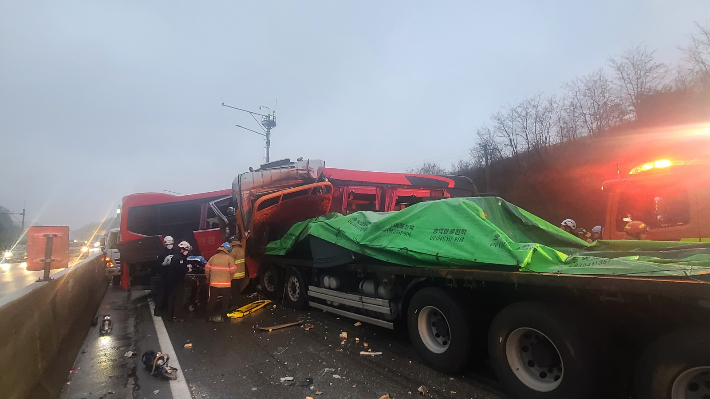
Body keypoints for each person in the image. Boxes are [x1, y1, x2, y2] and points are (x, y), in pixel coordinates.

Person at [205, 242, 237, 322]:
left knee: (212, 299)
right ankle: (223, 317)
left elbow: (207, 269)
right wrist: (229, 277)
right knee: (225, 301)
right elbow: (233, 270)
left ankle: (208, 317)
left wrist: (209, 278)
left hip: (214, 284)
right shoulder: (229, 259)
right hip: (225, 284)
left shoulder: (213, 258)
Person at [166, 241, 191, 322]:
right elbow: (180, 269)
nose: (187, 252)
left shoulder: (175, 256)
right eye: (187, 250)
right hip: (177, 282)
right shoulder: (179, 258)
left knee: (172, 299)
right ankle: (176, 316)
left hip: (171, 281)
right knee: (178, 299)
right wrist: (187, 269)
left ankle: (171, 316)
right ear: (183, 249)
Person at [155, 236, 176, 316]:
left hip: (173, 275)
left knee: (171, 293)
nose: (169, 244)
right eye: (168, 242)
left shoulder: (175, 252)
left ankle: (169, 308)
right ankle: (158, 309)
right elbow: (157, 265)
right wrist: (163, 264)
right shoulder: (161, 253)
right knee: (161, 292)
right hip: (164, 275)